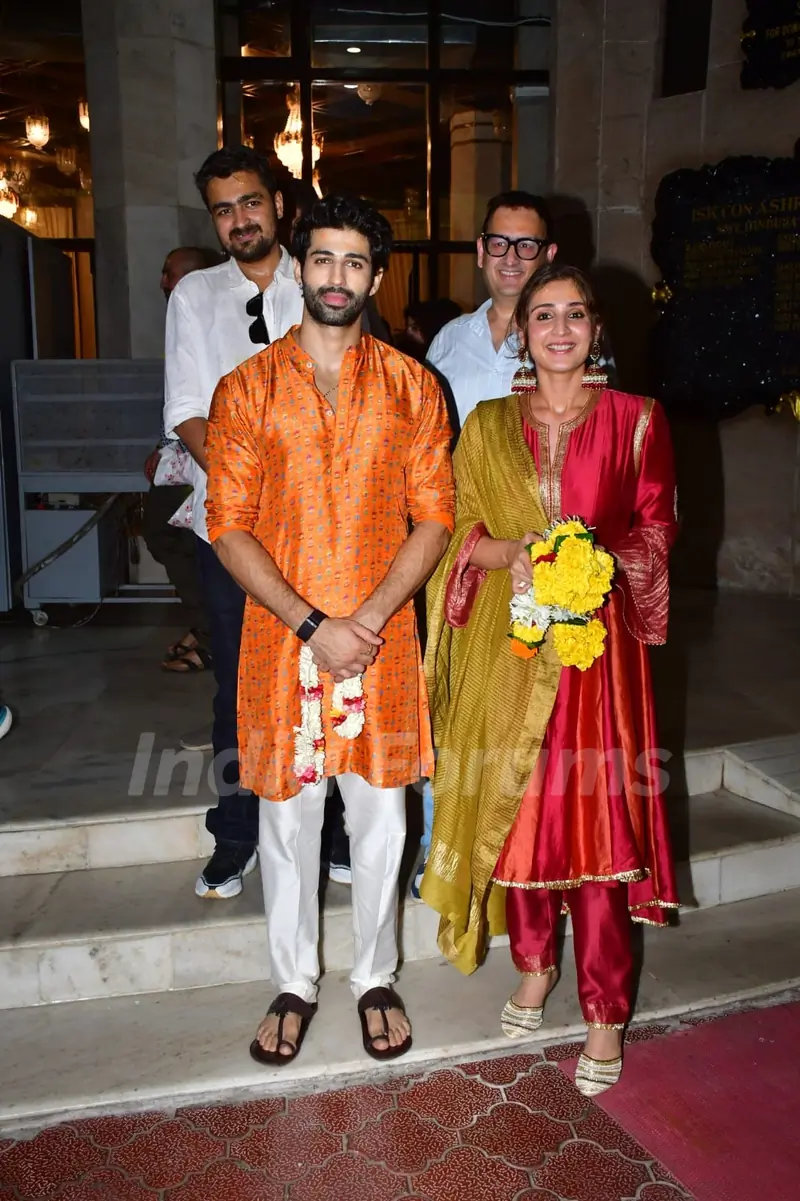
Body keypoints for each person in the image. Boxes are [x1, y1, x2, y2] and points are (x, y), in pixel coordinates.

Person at [204, 195, 454, 1065]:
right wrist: (313, 622)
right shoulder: (245, 388)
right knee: (286, 819)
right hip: (283, 644)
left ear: (375, 277)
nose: (337, 277)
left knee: (384, 818)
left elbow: (434, 516)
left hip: (380, 645)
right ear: (298, 269)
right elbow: (227, 523)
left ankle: (375, 975)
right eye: (322, 260)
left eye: (354, 262)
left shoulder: (415, 387)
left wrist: (369, 619)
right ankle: (294, 981)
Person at [422, 263, 679, 1097]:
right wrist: (520, 559)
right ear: (521, 330)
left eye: (574, 314)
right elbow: (462, 525)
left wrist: (593, 564)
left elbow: (658, 527)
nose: (559, 329)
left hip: (600, 658)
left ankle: (605, 1009)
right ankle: (533, 965)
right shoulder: (489, 422)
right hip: (513, 644)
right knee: (520, 808)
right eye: (542, 315)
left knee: (595, 824)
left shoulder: (638, 420)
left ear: (596, 328)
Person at [408, 193, 559, 897]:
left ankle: (522, 862)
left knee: (530, 714)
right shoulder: (447, 346)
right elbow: (431, 455)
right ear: (479, 251)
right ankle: (445, 855)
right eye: (498, 244)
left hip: (542, 560)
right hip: (465, 558)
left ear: (548, 255)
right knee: (451, 708)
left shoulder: (567, 336)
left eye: (525, 246)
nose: (510, 258)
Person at [163, 146, 304, 898]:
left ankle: (336, 827)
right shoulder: (195, 295)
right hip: (231, 522)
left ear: (276, 202)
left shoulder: (320, 278)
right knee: (236, 686)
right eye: (224, 210)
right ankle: (238, 830)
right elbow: (185, 408)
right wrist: (250, 490)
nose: (239, 220)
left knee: (323, 673)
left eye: (250, 202)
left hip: (319, 523)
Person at [144, 247, 220, 674]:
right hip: (181, 452)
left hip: (205, 453)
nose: (163, 282)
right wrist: (162, 446)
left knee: (182, 539)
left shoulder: (208, 314)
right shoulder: (185, 313)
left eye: (169, 272)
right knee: (170, 537)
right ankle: (204, 628)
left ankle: (209, 636)